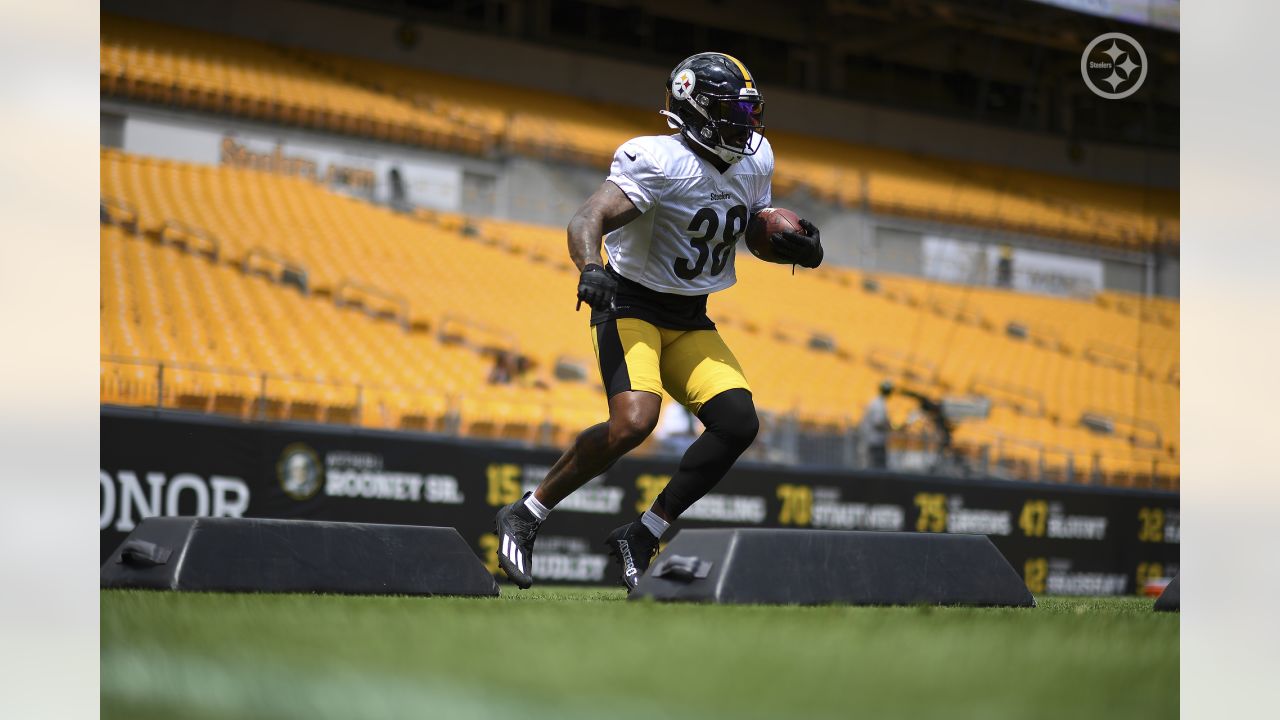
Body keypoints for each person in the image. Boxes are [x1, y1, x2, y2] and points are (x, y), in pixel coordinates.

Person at [493, 52, 823, 591]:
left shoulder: (756, 159)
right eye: (729, 111)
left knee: (738, 423)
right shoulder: (657, 159)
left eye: (747, 111)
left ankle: (644, 533)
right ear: (694, 109)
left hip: (690, 315)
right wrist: (591, 268)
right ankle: (528, 513)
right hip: (630, 304)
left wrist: (792, 245)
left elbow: (748, 226)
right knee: (634, 421)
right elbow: (588, 217)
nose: (745, 123)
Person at [860, 380, 895, 469]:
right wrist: (889, 426)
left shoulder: (877, 402)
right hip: (875, 441)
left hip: (873, 440)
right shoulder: (879, 404)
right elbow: (878, 423)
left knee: (874, 466)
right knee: (876, 467)